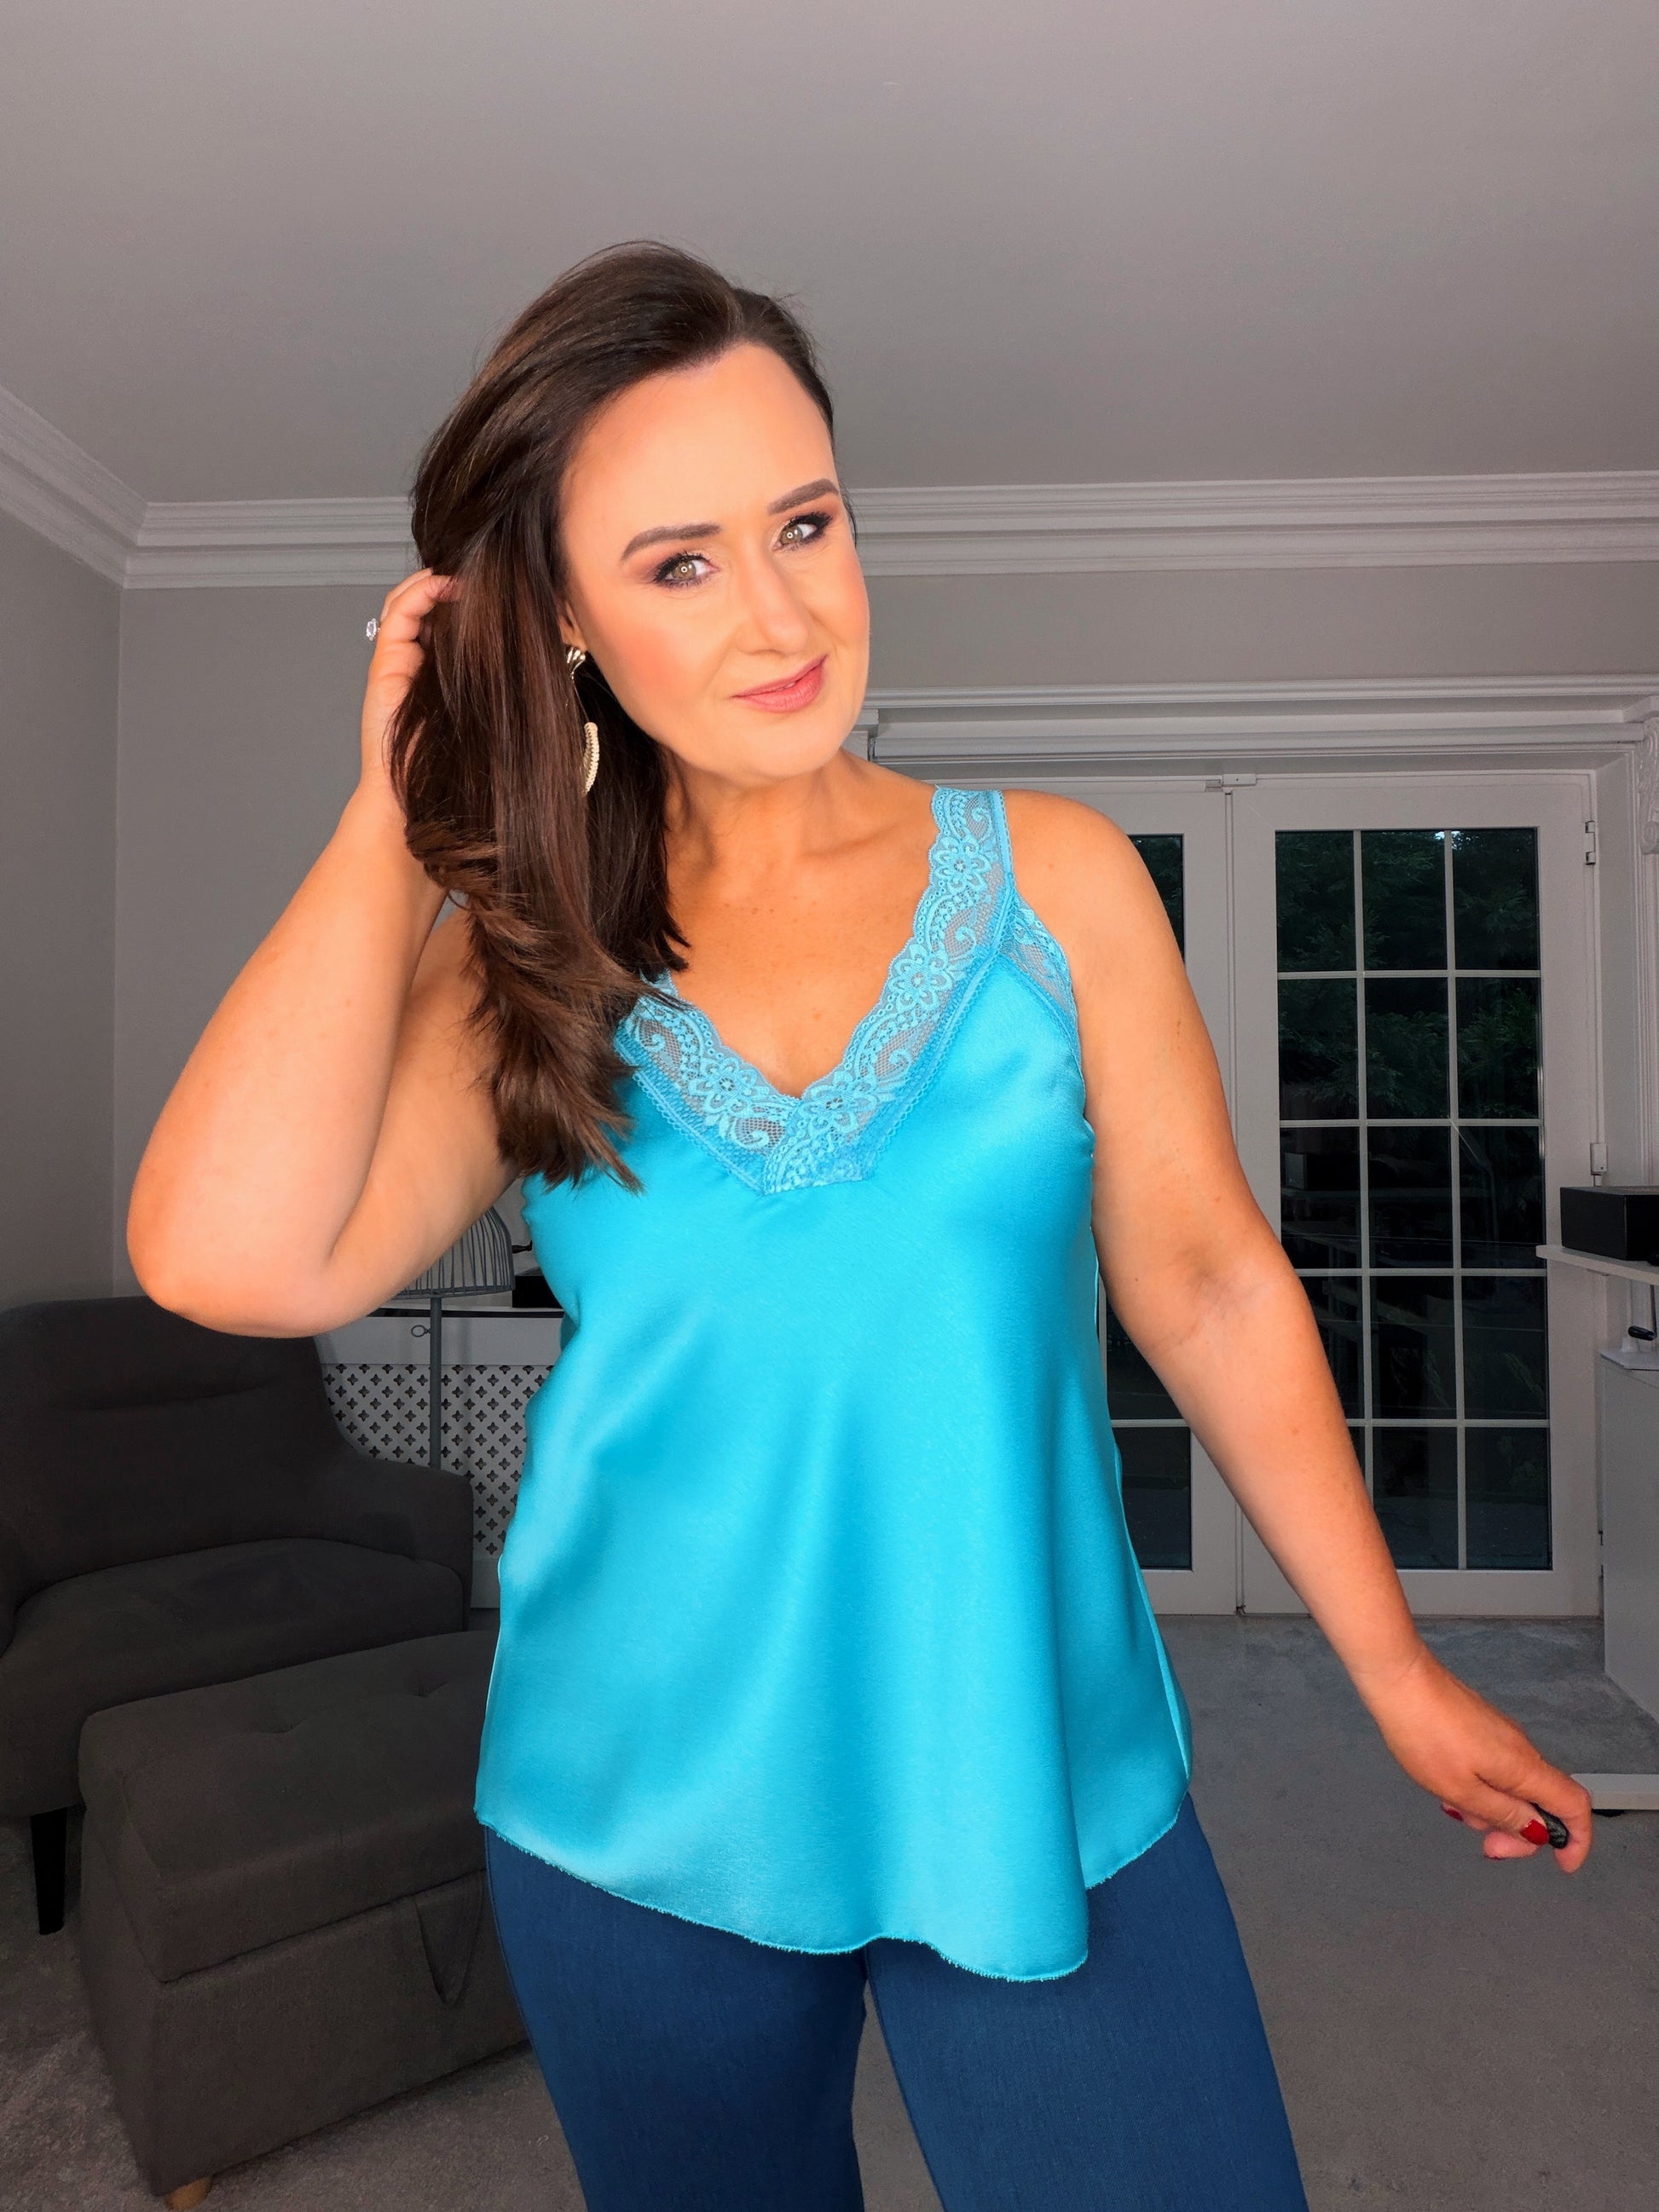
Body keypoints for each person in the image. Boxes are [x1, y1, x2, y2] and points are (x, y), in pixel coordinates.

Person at [129, 240, 1593, 2212]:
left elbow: (1208, 1281)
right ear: (561, 622)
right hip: (632, 1794)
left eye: (803, 522)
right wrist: (402, 820)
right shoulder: (524, 961)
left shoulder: (1059, 880)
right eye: (678, 562)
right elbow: (228, 1257)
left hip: (1033, 1757)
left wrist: (1394, 1665)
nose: (781, 611)